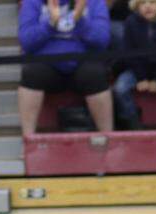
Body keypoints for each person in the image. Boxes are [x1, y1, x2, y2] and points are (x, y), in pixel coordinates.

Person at [17, 0, 114, 135]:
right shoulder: (32, 2)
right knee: (31, 73)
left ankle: (108, 138)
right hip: (47, 64)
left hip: (83, 63)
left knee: (95, 74)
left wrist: (80, 21)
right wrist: (50, 23)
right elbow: (26, 41)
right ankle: (28, 139)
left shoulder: (94, 2)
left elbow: (102, 40)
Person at [113, 0, 156, 130]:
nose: (148, 6)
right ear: (136, 6)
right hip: (136, 71)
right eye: (143, 3)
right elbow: (129, 52)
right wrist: (141, 78)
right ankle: (134, 123)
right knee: (120, 89)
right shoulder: (130, 22)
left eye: (152, 2)